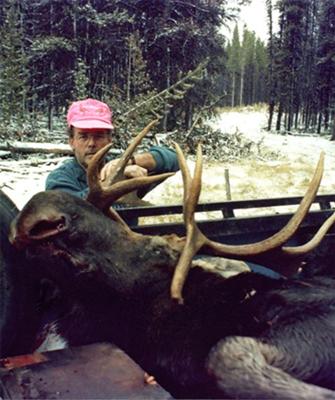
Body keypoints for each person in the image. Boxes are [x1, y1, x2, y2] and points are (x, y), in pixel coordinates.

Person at [46, 98, 179, 221]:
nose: (91, 143)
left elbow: (176, 159)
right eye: (83, 136)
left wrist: (131, 161)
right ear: (71, 141)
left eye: (99, 136)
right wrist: (113, 181)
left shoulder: (124, 168)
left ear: (110, 140)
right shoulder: (59, 178)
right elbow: (69, 208)